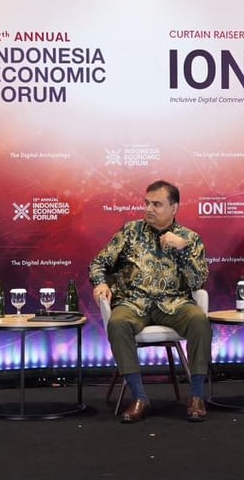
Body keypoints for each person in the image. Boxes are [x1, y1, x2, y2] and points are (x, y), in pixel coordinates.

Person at [89, 179, 210, 423]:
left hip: (174, 303)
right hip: (134, 302)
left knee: (199, 321)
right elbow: (99, 263)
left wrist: (182, 250)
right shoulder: (130, 231)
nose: (149, 209)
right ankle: (139, 398)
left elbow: (198, 282)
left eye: (157, 204)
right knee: (118, 323)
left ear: (174, 208)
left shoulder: (189, 238)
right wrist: (100, 283)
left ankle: (196, 397)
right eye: (147, 203)